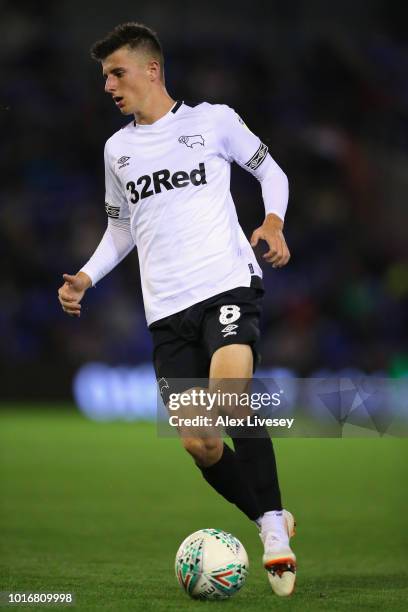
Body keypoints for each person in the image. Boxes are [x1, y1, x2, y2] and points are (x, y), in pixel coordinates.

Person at [58, 22, 296, 596]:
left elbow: (271, 171)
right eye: (104, 77)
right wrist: (86, 276)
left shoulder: (211, 121)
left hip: (225, 286)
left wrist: (271, 220)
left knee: (231, 396)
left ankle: (273, 532)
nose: (109, 85)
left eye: (117, 72)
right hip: (165, 310)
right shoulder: (118, 150)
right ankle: (269, 516)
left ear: (151, 70)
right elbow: (122, 229)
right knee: (200, 441)